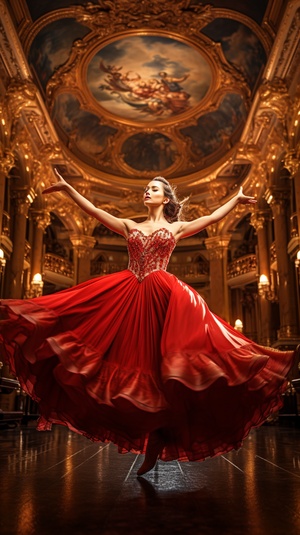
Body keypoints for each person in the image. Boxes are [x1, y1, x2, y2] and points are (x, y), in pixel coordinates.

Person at [0, 170, 298, 477]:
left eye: (153, 188)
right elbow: (95, 211)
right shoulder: (130, 225)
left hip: (163, 297)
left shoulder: (178, 227)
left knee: (165, 370)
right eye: (146, 187)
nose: (147, 191)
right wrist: (68, 188)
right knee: (129, 364)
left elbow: (210, 218)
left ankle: (159, 440)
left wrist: (235, 200)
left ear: (165, 198)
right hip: (129, 295)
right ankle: (146, 436)